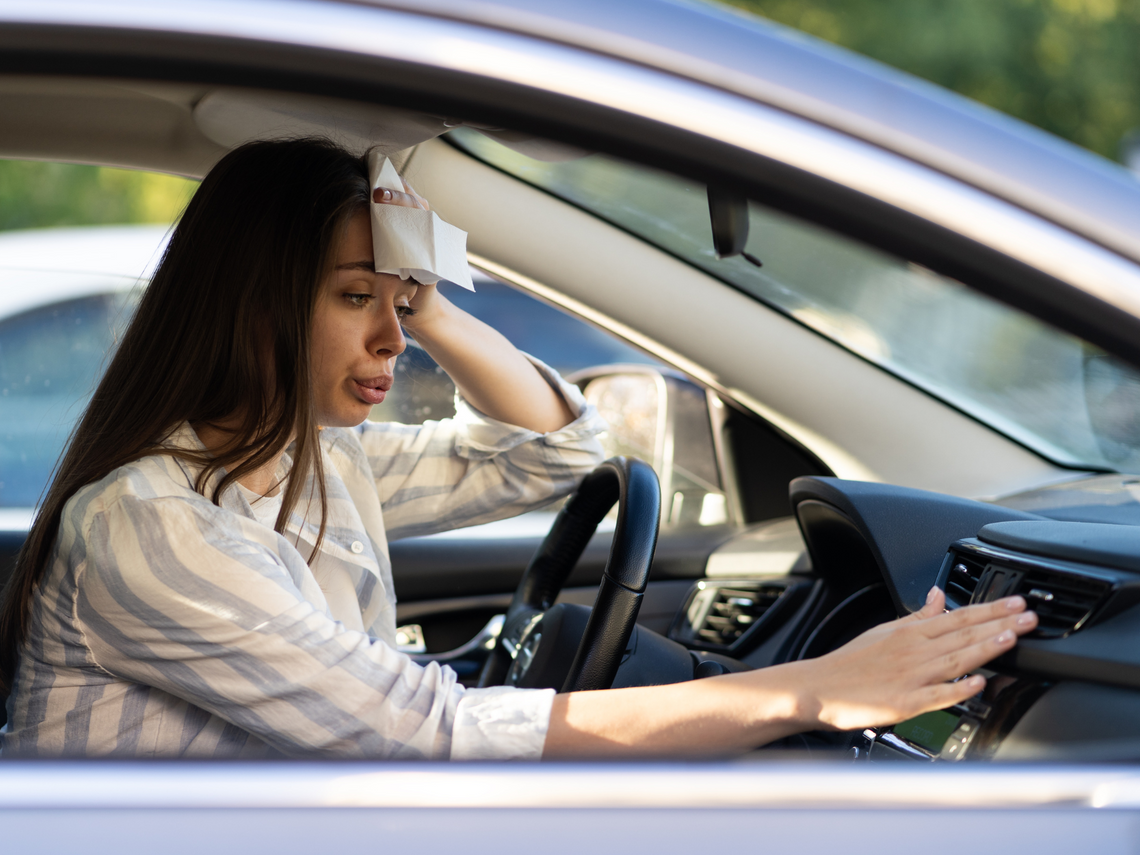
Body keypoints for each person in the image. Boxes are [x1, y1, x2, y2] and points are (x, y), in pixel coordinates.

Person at [0, 138, 1037, 759]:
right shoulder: (153, 522)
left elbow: (547, 456)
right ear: (252, 307)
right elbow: (426, 736)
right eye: (356, 298)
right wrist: (811, 691)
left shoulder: (309, 465)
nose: (391, 338)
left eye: (397, 301)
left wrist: (433, 301)